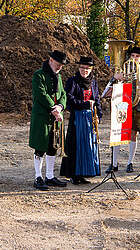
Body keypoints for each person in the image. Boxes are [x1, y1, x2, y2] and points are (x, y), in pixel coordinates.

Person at [106, 46, 140, 173]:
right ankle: (114, 163)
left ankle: (130, 162)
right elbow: (110, 87)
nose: (134, 58)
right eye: (132, 56)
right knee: (118, 133)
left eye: (137, 56)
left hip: (137, 104)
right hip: (121, 104)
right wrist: (116, 77)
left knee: (133, 133)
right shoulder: (122, 70)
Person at [29, 50, 68, 191]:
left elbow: (63, 93)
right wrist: (54, 108)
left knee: (53, 146)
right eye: (58, 64)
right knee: (40, 147)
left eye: (62, 66)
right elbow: (41, 94)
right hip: (42, 116)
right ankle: (38, 177)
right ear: (51, 60)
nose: (60, 67)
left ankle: (50, 176)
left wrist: (61, 106)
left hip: (56, 116)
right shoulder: (38, 75)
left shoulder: (59, 76)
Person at [60, 56, 102, 185]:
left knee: (89, 146)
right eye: (82, 68)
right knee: (76, 146)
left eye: (87, 68)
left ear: (91, 69)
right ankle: (74, 174)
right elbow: (69, 99)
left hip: (90, 118)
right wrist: (84, 104)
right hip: (77, 117)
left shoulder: (93, 83)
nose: (85, 70)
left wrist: (98, 115)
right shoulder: (72, 82)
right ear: (78, 68)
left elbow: (97, 100)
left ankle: (84, 174)